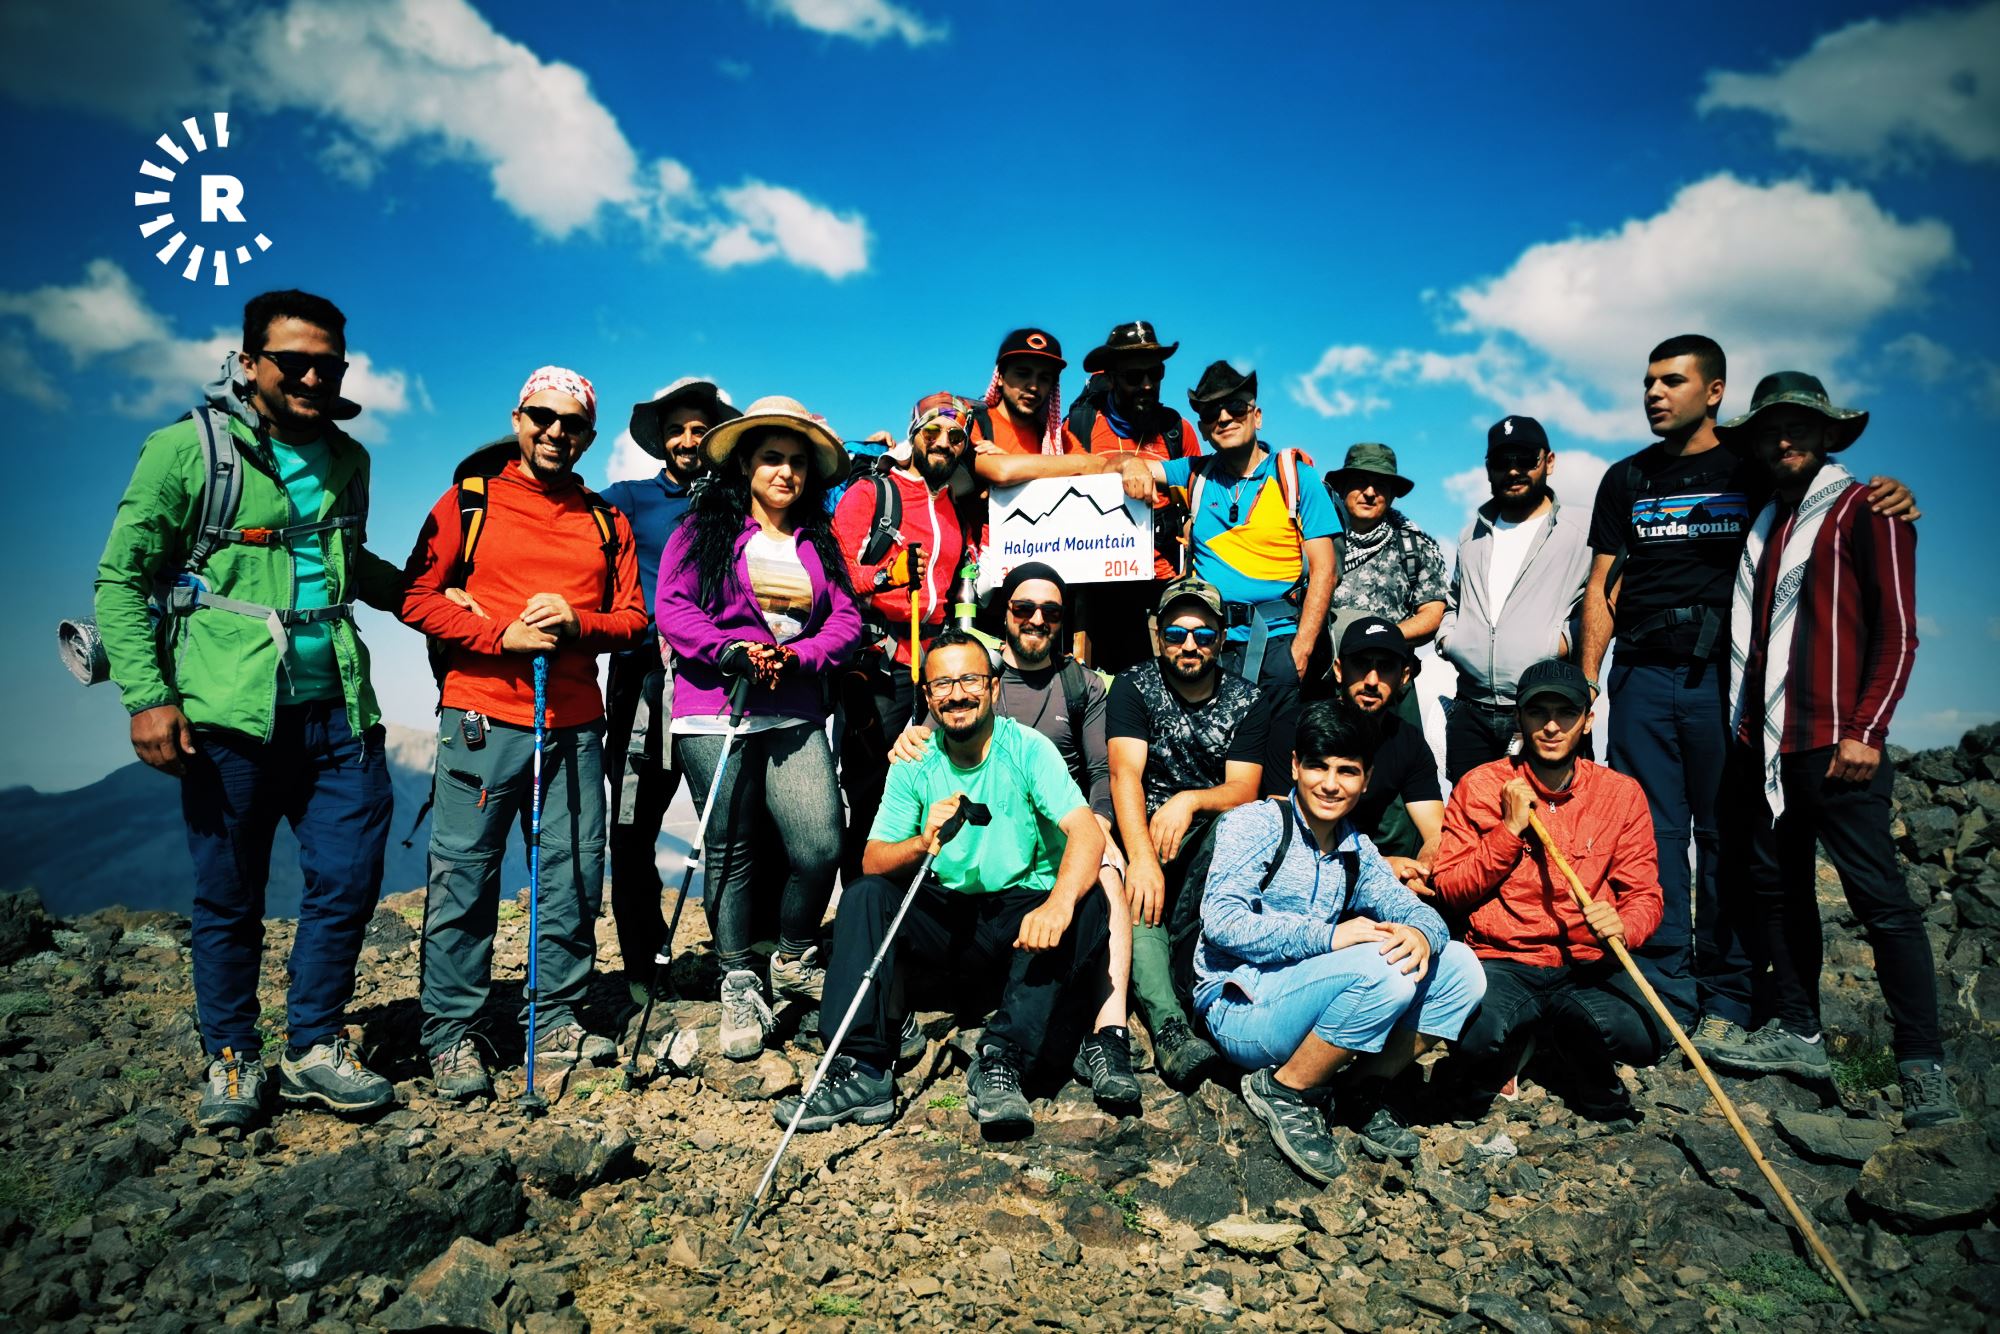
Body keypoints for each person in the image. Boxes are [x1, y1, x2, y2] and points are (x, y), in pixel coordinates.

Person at [95, 289, 403, 1128]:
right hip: (228, 713)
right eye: (292, 361)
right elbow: (121, 579)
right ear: (248, 362)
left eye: (328, 365)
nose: (312, 377)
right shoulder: (186, 450)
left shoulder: (348, 456)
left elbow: (346, 561)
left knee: (348, 879)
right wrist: (149, 698)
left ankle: (313, 1048)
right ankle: (232, 1056)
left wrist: (439, 600)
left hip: (340, 706)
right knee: (230, 893)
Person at [1578, 334, 1916, 1046]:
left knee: (1728, 837)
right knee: (1650, 837)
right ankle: (1664, 992)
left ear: (1715, 391)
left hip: (1724, 683)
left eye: (1672, 381)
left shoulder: (1752, 466)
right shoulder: (1625, 477)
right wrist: (1586, 681)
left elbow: (1817, 501)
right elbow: (1602, 585)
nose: (1654, 393)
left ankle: (1729, 998)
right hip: (1639, 676)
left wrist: (1892, 494)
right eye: (1648, 382)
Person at [1697, 374, 1961, 1127]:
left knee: (1882, 904)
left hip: (1839, 745)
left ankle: (1922, 1068)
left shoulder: (1868, 510)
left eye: (1801, 428)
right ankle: (1800, 1032)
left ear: (1827, 435)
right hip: (1764, 743)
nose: (1786, 441)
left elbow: (1898, 632)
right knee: (1779, 893)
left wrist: (1868, 731)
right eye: (1772, 430)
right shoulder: (1765, 522)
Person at [400, 366, 648, 1099]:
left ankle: (558, 1015)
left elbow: (634, 621)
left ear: (589, 437)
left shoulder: (606, 522)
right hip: (481, 716)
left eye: (572, 424)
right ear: (518, 419)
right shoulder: (469, 501)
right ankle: (452, 1033)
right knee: (465, 875)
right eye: (542, 417)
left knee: (573, 872)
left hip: (575, 724)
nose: (555, 432)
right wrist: (497, 635)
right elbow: (415, 597)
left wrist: (579, 624)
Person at [775, 629, 1111, 1133]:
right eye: (943, 685)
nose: (958, 694)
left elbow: (1085, 832)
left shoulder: (1028, 749)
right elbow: (872, 860)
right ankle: (862, 1066)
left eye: (970, 680)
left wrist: (1058, 905)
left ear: (993, 687)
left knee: (1089, 901)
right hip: (947, 922)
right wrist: (921, 842)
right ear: (928, 697)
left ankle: (1002, 1060)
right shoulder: (915, 760)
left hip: (1021, 920)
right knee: (866, 895)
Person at [655, 396, 864, 1059]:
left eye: (798, 462)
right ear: (745, 464)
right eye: (772, 458)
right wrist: (728, 651)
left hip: (793, 706)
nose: (786, 472)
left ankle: (795, 955)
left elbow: (847, 620)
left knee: (820, 842)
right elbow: (674, 607)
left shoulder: (818, 542)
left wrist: (801, 656)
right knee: (730, 847)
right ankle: (738, 978)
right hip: (713, 707)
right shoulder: (702, 531)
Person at [1198, 703, 1484, 1183]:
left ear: (1366, 779)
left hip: (1308, 996)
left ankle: (1360, 1088)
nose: (1331, 784)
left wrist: (1420, 934)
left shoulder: (1356, 848)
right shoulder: (1256, 823)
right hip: (1240, 1006)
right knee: (1383, 967)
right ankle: (1286, 1089)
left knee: (1460, 966)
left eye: (1347, 771)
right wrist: (1331, 936)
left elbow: (1418, 911)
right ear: (1295, 766)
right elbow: (1222, 922)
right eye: (1319, 767)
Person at [888, 562, 1140, 1107]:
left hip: (1063, 826)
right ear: (1003, 613)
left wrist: (1098, 827)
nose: (1036, 619)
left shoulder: (1080, 684)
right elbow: (932, 740)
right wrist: (905, 741)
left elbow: (1101, 770)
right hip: (992, 834)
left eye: (1051, 611)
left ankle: (1109, 1034)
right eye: (1024, 608)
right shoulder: (973, 675)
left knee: (1103, 873)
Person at [1432, 659, 1666, 1121]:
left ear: (1587, 720)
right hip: (1502, 960)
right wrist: (1507, 832)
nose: (1552, 726)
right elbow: (1449, 889)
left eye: (1567, 713)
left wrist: (1624, 924)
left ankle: (1560, 1043)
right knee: (1474, 1035)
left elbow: (1645, 894)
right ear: (1519, 718)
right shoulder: (1480, 786)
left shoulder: (1621, 794)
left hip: (1584, 965)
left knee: (1646, 1037)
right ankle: (1510, 1048)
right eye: (1538, 712)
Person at [601, 379, 741, 998]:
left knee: (731, 821)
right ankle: (641, 964)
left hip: (720, 680)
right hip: (643, 682)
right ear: (661, 440)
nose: (688, 440)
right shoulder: (628, 499)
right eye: (677, 430)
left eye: (699, 429)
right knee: (635, 824)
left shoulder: (736, 501)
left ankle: (740, 954)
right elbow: (562, 518)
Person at [1107, 576, 1267, 1086]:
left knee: (1244, 825)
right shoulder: (1133, 686)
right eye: (1176, 633)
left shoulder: (1247, 699)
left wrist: (1190, 799)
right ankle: (1169, 1028)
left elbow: (1244, 788)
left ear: (1221, 639)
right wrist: (1142, 859)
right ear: (1159, 636)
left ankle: (1219, 1003)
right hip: (1144, 831)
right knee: (1138, 897)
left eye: (1203, 634)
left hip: (1209, 837)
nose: (1189, 645)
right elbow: (1124, 775)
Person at [1113, 361, 1339, 687]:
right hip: (1209, 645)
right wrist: (1131, 462)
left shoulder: (1296, 477)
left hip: (1279, 643)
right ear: (1203, 429)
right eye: (1210, 412)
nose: (1223, 418)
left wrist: (1300, 652)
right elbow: (1113, 466)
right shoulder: (1194, 474)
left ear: (1257, 416)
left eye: (1235, 407)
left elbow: (1325, 569)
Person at [832, 392, 975, 883]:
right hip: (878, 663)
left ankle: (905, 906)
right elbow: (833, 572)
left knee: (926, 786)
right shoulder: (872, 494)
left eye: (956, 437)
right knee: (871, 791)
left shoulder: (953, 506)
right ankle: (860, 906)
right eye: (932, 432)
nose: (944, 443)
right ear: (914, 434)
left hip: (933, 667)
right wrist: (884, 575)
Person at [1436, 416, 1592, 782]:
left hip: (1544, 710)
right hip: (1470, 710)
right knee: (1471, 812)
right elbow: (1455, 600)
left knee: (1548, 812)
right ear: (1488, 468)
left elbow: (1605, 599)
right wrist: (1450, 640)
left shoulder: (1582, 529)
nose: (1513, 471)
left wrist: (1560, 643)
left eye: (1524, 460)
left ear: (1548, 462)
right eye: (1501, 462)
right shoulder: (1470, 534)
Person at [1065, 321, 1206, 671]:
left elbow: (1200, 500)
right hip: (1100, 586)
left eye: (1155, 374)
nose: (1146, 385)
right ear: (1111, 378)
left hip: (1166, 583)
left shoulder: (1178, 430)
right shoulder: (1079, 427)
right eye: (1133, 376)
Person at [1261, 618, 1443, 886]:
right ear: (1338, 670)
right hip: (1296, 872)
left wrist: (1421, 870)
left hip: (1367, 873)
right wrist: (1381, 866)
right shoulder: (1295, 727)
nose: (1372, 681)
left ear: (1404, 677)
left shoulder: (1409, 741)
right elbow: (1280, 829)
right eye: (1360, 664)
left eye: (1385, 667)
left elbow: (1437, 832)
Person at [1323, 443, 1449, 651]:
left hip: (1384, 666)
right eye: (1360, 482)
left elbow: (1433, 612)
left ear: (1391, 496)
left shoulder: (1414, 548)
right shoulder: (1316, 540)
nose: (1369, 493)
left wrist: (1380, 638)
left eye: (1380, 485)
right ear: (1342, 488)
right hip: (1319, 666)